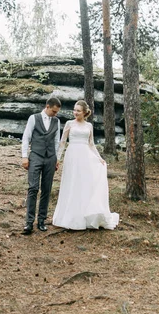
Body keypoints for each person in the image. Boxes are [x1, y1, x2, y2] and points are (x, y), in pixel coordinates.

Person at [52, 100, 119, 230]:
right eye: (74, 110)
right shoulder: (69, 124)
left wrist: (99, 158)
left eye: (78, 111)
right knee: (71, 183)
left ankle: (84, 216)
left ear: (84, 113)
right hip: (72, 155)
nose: (75, 112)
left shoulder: (89, 126)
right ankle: (69, 216)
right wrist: (57, 158)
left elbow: (91, 144)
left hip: (85, 156)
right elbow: (62, 142)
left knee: (83, 184)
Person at [21, 96, 61, 235]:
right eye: (54, 111)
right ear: (47, 107)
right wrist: (24, 157)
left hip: (50, 158)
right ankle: (29, 222)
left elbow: (57, 141)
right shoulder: (34, 118)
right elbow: (26, 137)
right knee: (33, 188)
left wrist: (56, 158)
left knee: (46, 189)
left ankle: (42, 220)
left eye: (57, 112)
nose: (55, 114)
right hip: (36, 156)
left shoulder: (57, 121)